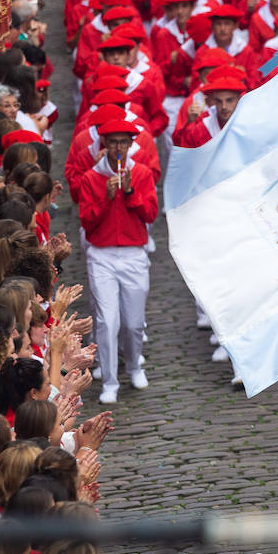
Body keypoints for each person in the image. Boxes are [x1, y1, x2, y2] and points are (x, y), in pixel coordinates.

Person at [73, 119, 158, 404]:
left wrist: (131, 193)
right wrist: (107, 198)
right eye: (113, 143)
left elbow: (150, 215)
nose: (118, 148)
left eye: (124, 143)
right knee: (107, 322)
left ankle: (134, 366)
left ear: (131, 145)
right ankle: (109, 380)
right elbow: (87, 221)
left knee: (133, 323)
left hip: (134, 254)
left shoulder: (143, 174)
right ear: (104, 145)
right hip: (102, 255)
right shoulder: (90, 178)